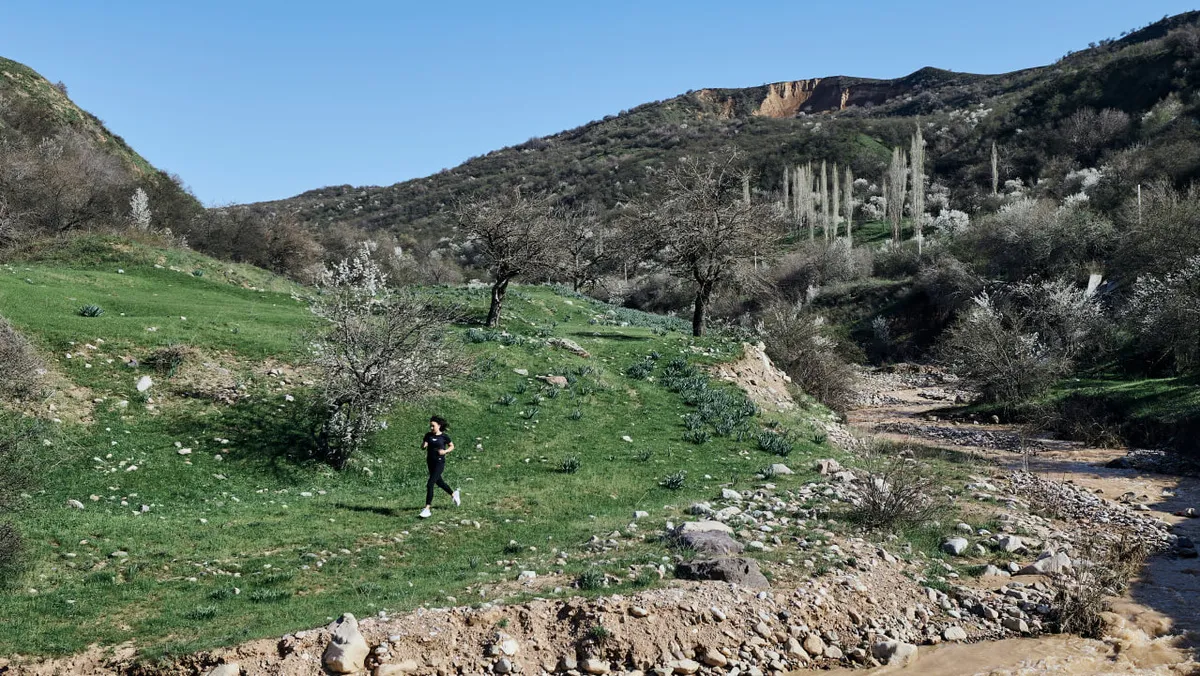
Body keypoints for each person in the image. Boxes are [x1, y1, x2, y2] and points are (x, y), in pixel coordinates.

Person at [420, 415, 459, 518]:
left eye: (433, 426)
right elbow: (423, 446)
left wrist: (445, 451)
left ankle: (427, 508)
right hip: (430, 462)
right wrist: (424, 445)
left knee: (430, 484)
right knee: (439, 482)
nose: (431, 428)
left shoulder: (444, 437)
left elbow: (452, 446)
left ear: (439, 425)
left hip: (439, 463)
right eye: (430, 426)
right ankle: (453, 494)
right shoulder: (428, 435)